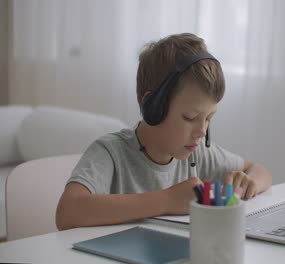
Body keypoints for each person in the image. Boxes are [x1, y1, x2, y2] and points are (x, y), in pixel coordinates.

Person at [56, 33, 272, 230]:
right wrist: (167, 200)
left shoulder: (196, 152)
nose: (201, 131)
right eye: (190, 117)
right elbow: (68, 212)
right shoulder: (110, 153)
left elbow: (259, 170)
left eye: (208, 119)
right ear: (153, 107)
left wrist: (249, 182)